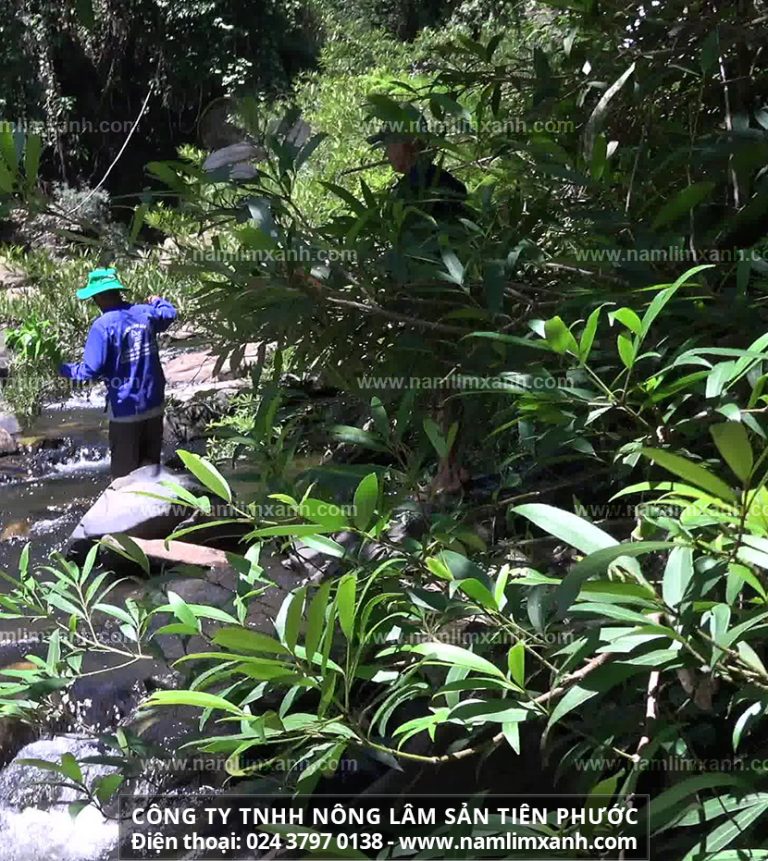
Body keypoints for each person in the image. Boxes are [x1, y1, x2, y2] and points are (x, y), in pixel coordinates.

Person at [59, 267, 177, 479]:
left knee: (125, 478)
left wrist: (62, 368)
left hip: (125, 411)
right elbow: (170, 313)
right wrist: (158, 300)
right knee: (151, 472)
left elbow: (90, 371)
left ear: (100, 297)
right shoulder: (144, 313)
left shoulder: (102, 326)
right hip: (154, 404)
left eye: (94, 297)